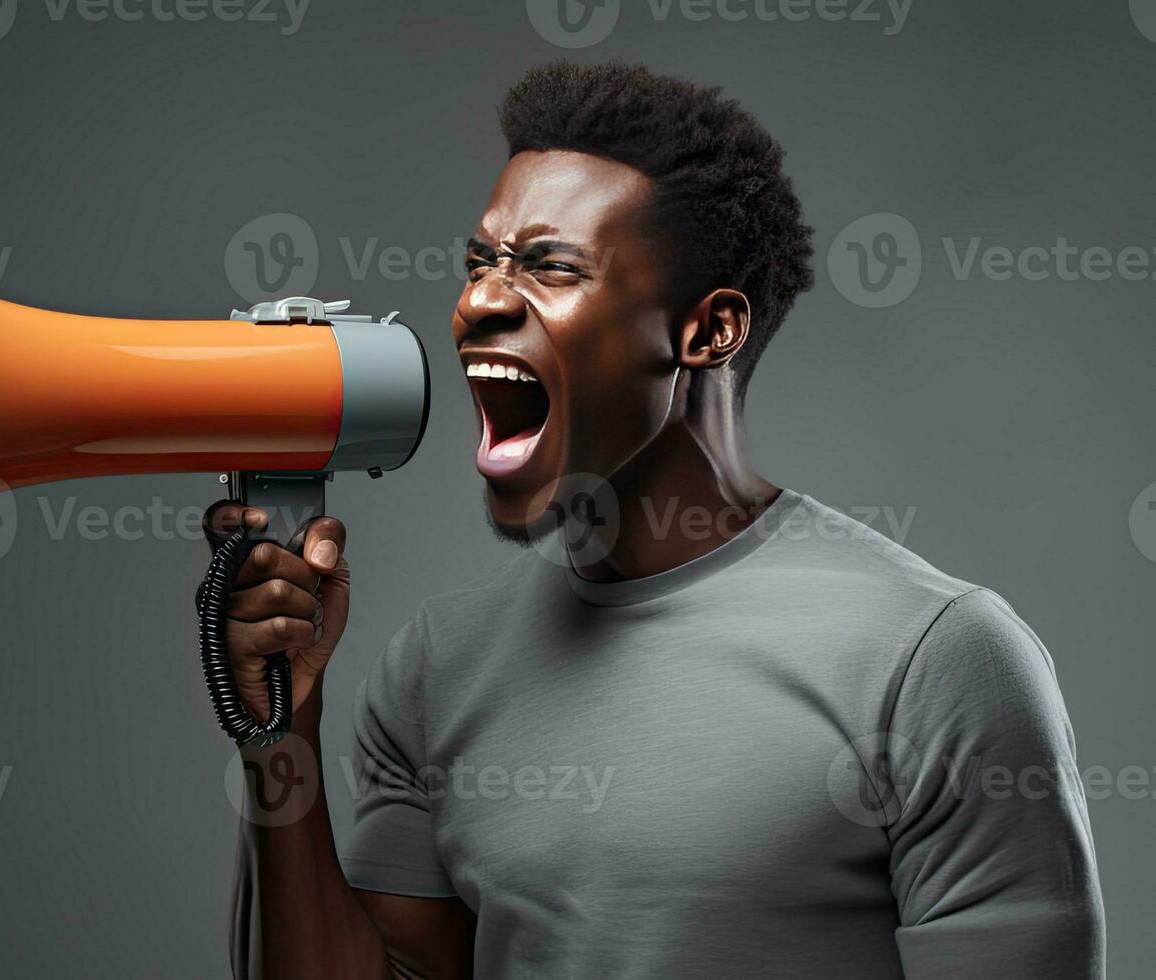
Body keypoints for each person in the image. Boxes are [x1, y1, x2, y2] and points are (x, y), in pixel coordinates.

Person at [215, 61, 1104, 979]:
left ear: (707, 331)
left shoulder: (935, 659)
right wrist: (282, 730)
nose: (479, 301)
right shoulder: (436, 665)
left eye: (549, 266)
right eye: (479, 263)